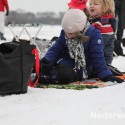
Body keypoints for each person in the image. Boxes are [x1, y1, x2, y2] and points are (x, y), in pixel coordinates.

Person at [39, 9, 123, 84]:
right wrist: (47, 61)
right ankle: (39, 73)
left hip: (82, 68)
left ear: (80, 29)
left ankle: (46, 77)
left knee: (66, 75)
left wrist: (106, 75)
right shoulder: (65, 33)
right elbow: (56, 49)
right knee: (42, 65)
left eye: (70, 33)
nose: (67, 35)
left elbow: (98, 57)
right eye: (66, 32)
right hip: (65, 62)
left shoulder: (93, 35)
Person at [88, 0, 116, 64]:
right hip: (95, 60)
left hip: (100, 63)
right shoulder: (94, 21)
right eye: (91, 4)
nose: (91, 6)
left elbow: (98, 46)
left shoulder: (104, 25)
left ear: (105, 7)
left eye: (95, 4)